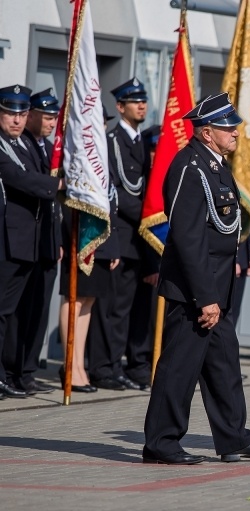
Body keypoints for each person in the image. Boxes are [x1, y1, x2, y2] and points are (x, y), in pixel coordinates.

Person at [143, 93, 250, 465]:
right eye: (228, 127)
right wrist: (205, 297)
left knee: (224, 364)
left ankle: (234, 437)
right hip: (194, 290)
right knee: (179, 368)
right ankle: (160, 443)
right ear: (206, 133)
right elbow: (188, 240)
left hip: (217, 287)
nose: (235, 132)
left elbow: (225, 227)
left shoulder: (215, 166)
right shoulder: (189, 167)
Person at [87, 77, 155, 391]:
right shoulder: (113, 141)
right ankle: (103, 367)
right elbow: (119, 192)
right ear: (120, 107)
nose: (141, 106)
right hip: (122, 234)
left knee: (128, 309)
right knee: (111, 308)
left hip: (140, 240)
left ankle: (119, 366)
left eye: (143, 101)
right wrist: (150, 217)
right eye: (134, 101)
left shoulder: (142, 141)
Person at [0, 84, 63, 400]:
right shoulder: (6, 145)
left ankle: (17, 374)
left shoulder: (27, 144)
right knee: (5, 312)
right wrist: (57, 184)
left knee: (24, 312)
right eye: (10, 113)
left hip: (31, 242)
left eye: (21, 114)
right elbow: (19, 178)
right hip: (9, 241)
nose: (17, 120)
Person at [56, 105, 121, 394]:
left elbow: (111, 204)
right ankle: (69, 366)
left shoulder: (102, 157)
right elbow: (65, 201)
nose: (101, 127)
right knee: (75, 299)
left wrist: (113, 246)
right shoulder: (77, 155)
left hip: (100, 239)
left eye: (103, 122)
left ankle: (79, 366)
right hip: (79, 236)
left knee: (89, 302)